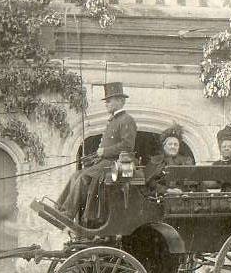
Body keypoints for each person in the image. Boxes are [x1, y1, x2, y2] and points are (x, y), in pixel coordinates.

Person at [56, 82, 137, 222]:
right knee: (76, 174)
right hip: (104, 162)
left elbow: (127, 146)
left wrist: (104, 151)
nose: (106, 104)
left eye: (109, 101)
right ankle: (59, 208)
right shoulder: (113, 120)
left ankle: (67, 214)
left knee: (83, 177)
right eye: (106, 101)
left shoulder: (126, 120)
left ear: (120, 101)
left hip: (114, 165)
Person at [144, 123, 195, 195]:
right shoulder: (155, 160)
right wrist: (166, 190)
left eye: (175, 144)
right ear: (164, 146)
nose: (173, 147)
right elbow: (149, 182)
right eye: (170, 144)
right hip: (160, 198)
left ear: (179, 147)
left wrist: (183, 192)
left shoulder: (186, 161)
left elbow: (192, 183)